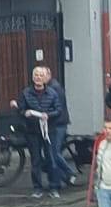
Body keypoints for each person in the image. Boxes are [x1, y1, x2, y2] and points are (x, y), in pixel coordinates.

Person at [19, 66, 72, 199]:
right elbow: (21, 110)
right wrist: (25, 113)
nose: (38, 77)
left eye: (41, 75)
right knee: (35, 161)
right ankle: (37, 188)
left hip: (50, 131)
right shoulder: (26, 93)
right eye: (36, 75)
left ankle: (54, 187)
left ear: (45, 78)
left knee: (51, 159)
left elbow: (58, 110)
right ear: (32, 77)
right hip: (32, 131)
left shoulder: (52, 93)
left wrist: (48, 115)